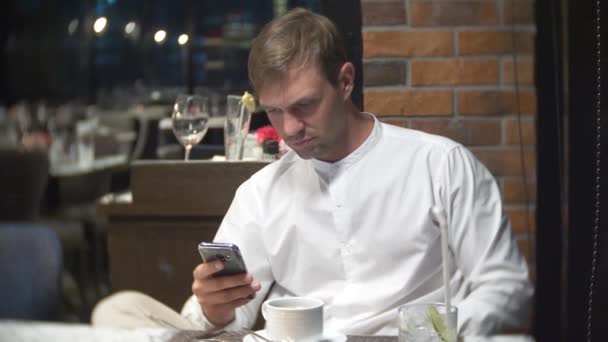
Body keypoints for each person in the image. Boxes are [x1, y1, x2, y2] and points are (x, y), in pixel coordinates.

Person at [93, 7, 533, 336]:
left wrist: (429, 331)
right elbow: (223, 320)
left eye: (304, 106)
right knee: (116, 311)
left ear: (344, 82)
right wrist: (214, 306)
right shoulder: (260, 193)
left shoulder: (440, 165)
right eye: (274, 111)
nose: (289, 129)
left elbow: (506, 288)